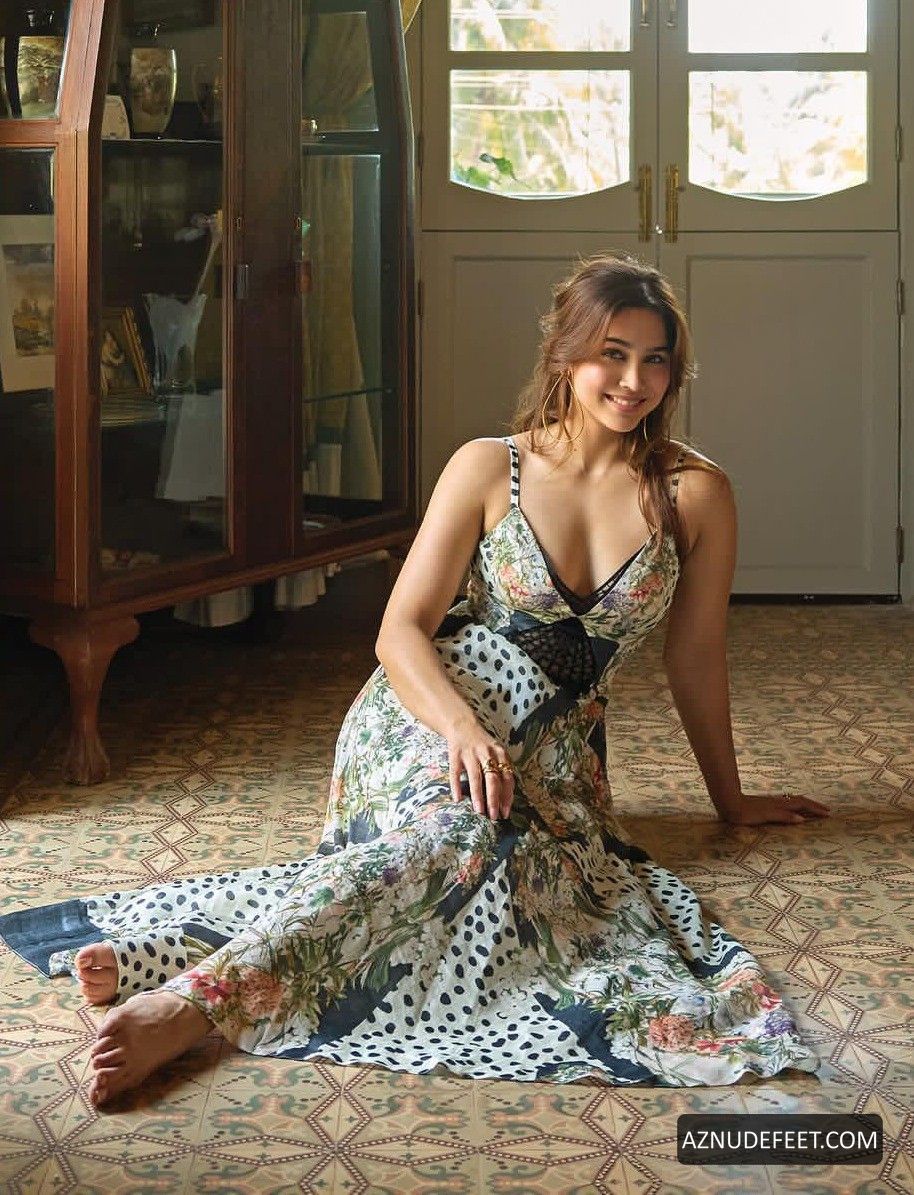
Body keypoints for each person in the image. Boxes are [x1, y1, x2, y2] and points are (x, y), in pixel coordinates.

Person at [0, 255, 828, 1107]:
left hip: (555, 757)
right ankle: (187, 1007)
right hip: (430, 708)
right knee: (457, 837)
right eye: (611, 354)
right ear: (565, 354)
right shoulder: (489, 466)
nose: (633, 380)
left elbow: (696, 658)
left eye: (655, 359)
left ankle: (172, 952)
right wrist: (461, 731)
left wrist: (731, 799)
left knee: (494, 877)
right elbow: (399, 630)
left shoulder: (695, 493)